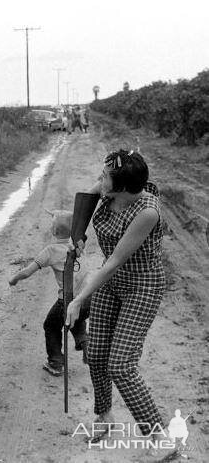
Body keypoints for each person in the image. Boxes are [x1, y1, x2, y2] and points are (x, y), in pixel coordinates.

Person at [66, 149, 165, 440]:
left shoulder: (147, 211)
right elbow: (85, 199)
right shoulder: (109, 190)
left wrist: (78, 298)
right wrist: (78, 236)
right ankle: (104, 415)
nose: (99, 179)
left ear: (121, 186)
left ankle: (160, 438)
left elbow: (111, 264)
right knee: (95, 353)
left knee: (120, 364)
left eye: (104, 176)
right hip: (112, 284)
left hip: (142, 286)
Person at [8, 210, 90, 376]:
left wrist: (14, 279)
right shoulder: (77, 247)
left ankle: (55, 362)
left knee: (51, 326)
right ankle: (86, 343)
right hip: (87, 299)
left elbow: (27, 272)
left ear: (53, 231)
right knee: (75, 318)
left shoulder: (51, 250)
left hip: (67, 300)